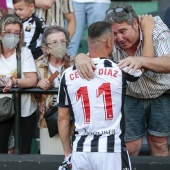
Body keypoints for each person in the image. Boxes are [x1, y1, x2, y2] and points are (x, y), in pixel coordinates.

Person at [74, 2, 170, 156]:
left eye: (123, 31)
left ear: (135, 23)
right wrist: (80, 57)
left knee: (159, 143)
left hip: (161, 93)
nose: (119, 38)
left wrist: (142, 60)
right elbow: (89, 56)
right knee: (130, 146)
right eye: (115, 34)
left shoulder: (155, 27)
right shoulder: (110, 38)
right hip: (131, 95)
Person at [57, 21, 143, 170]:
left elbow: (62, 118)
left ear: (88, 41)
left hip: (80, 151)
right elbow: (146, 63)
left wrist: (67, 153)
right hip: (110, 150)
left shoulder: (67, 74)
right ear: (109, 41)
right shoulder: (120, 69)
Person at [34, 25, 74, 155]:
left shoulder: (76, 64)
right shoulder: (36, 66)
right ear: (45, 48)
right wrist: (37, 84)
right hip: (47, 122)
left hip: (73, 122)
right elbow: (31, 96)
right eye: (55, 42)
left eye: (63, 41)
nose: (60, 45)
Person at [0, 14, 37, 154]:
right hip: (2, 109)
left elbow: (32, 79)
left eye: (16, 33)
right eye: (8, 32)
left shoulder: (24, 53)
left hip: (24, 109)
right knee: (1, 151)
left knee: (23, 151)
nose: (12, 36)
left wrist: (15, 81)